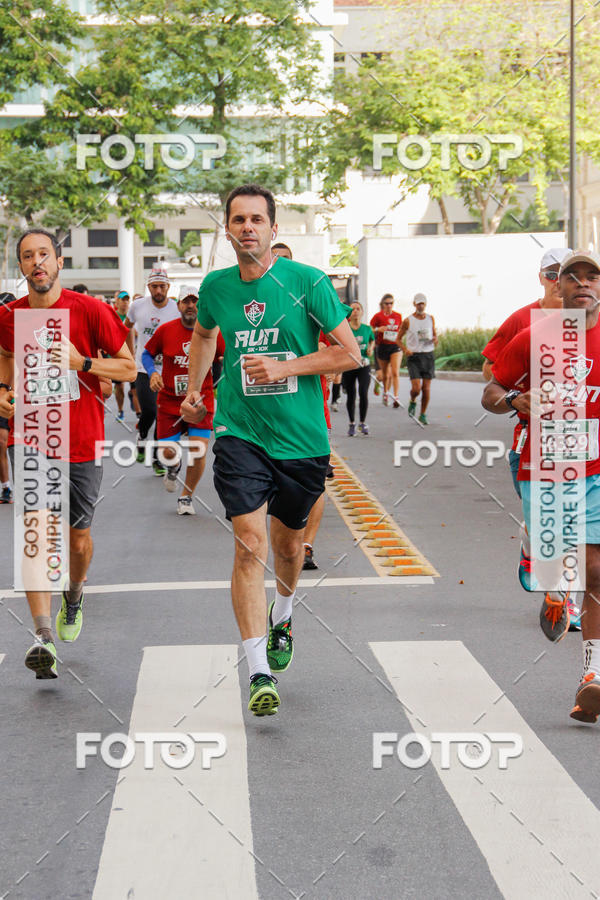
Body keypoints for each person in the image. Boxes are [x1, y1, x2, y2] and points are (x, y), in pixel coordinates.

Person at [181, 183, 359, 716]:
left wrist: (284, 367)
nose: (248, 228)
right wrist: (195, 388)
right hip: (240, 432)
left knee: (288, 547)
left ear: (273, 229)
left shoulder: (307, 282)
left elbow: (350, 354)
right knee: (248, 543)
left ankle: (283, 612)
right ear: (228, 230)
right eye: (238, 220)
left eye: (257, 219)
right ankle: (258, 670)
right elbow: (204, 336)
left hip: (301, 439)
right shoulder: (215, 287)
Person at [0, 228, 136, 680]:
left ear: (59, 262)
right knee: (36, 533)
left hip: (81, 440)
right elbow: (5, 354)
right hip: (31, 437)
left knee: (77, 540)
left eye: (44, 254)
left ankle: (74, 594)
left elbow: (128, 369)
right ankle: (43, 637)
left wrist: (83, 363)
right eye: (27, 256)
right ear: (21, 266)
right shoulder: (10, 315)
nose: (36, 262)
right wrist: (2, 390)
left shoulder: (90, 310)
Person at [482, 249, 600, 723]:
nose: (583, 283)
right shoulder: (533, 336)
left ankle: (592, 674)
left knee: (594, 567)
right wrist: (514, 399)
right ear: (558, 286)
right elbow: (491, 392)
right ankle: (539, 554)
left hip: (598, 468)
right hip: (548, 467)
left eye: (593, 276)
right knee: (565, 564)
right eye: (573, 277)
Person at [482, 248, 573, 596]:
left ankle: (564, 600)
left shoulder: (590, 321)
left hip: (581, 441)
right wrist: (516, 395)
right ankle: (532, 546)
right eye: (551, 274)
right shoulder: (523, 320)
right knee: (545, 523)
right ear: (541, 278)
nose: (558, 282)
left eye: (566, 275)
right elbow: (491, 370)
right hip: (532, 439)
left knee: (572, 523)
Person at [142, 285, 224, 515]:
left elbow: (226, 356)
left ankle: (186, 496)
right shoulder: (166, 330)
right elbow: (147, 354)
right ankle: (173, 466)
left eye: (194, 301)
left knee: (198, 450)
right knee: (168, 453)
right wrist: (153, 373)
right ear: (178, 305)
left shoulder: (214, 331)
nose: (190, 306)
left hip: (201, 401)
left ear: (201, 305)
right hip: (170, 402)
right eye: (185, 301)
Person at [124, 267, 179, 475]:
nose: (158, 291)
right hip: (143, 367)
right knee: (149, 411)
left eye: (162, 286)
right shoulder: (138, 306)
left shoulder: (176, 308)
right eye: (154, 286)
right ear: (148, 287)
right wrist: (129, 353)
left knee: (162, 415)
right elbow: (126, 327)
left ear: (168, 287)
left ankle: (157, 459)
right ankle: (142, 436)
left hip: (168, 370)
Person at [398, 293, 437, 425]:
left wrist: (435, 339)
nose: (421, 306)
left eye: (423, 303)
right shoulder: (408, 320)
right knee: (416, 389)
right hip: (414, 356)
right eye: (418, 303)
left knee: (426, 388)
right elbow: (398, 339)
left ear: (425, 304)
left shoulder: (430, 318)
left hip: (428, 355)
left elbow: (434, 335)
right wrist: (405, 350)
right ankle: (413, 400)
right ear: (414, 304)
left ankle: (423, 414)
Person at [342, 301, 374, 436]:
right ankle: (351, 423)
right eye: (352, 309)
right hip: (349, 364)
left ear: (362, 312)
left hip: (364, 365)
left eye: (358, 309)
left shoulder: (367, 329)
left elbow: (372, 340)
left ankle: (362, 423)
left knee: (363, 392)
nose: (355, 311)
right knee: (351, 394)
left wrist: (371, 348)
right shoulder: (345, 328)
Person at [370, 293, 402, 406]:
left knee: (395, 372)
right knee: (385, 375)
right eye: (387, 303)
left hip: (395, 346)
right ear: (383, 304)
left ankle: (396, 397)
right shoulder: (378, 316)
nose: (389, 305)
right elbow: (370, 329)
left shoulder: (398, 316)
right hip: (382, 346)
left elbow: (401, 330)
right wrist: (378, 329)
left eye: (391, 303)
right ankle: (385, 392)